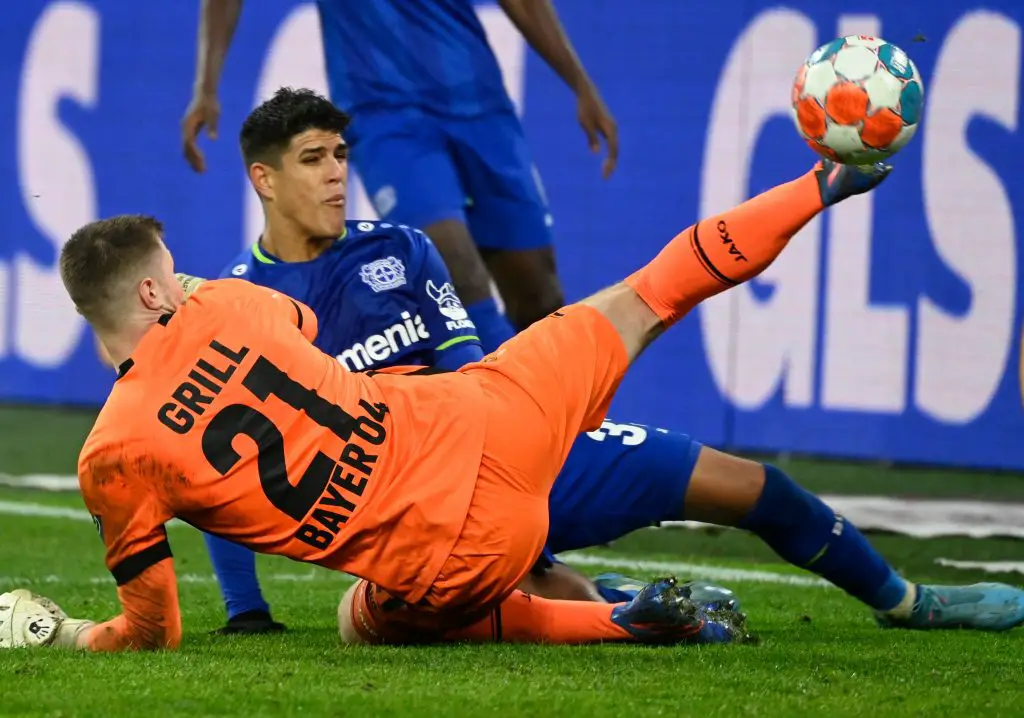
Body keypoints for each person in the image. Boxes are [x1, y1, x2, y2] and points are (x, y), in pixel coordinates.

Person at [5, 79, 916, 650]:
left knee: (358, 621)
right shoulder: (236, 301)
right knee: (651, 290)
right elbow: (282, 321)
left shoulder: (115, 455)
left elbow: (152, 628)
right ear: (160, 293)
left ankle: (617, 620)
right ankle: (820, 185)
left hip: (455, 550)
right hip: (488, 416)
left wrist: (76, 634)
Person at [206, 89, 1024, 640]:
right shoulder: (241, 309)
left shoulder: (402, 248)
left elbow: (470, 363)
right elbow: (226, 478)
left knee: (754, 489)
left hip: (505, 442)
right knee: (515, 609)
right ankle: (619, 605)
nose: (339, 173)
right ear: (264, 179)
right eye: (315, 159)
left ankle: (908, 603)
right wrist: (245, 612)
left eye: (342, 154)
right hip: (416, 510)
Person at [182, 0, 617, 355]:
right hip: (383, 115)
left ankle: (566, 432)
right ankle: (514, 425)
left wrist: (578, 81)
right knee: (452, 269)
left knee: (538, 295)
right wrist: (205, 84)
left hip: (479, 105)